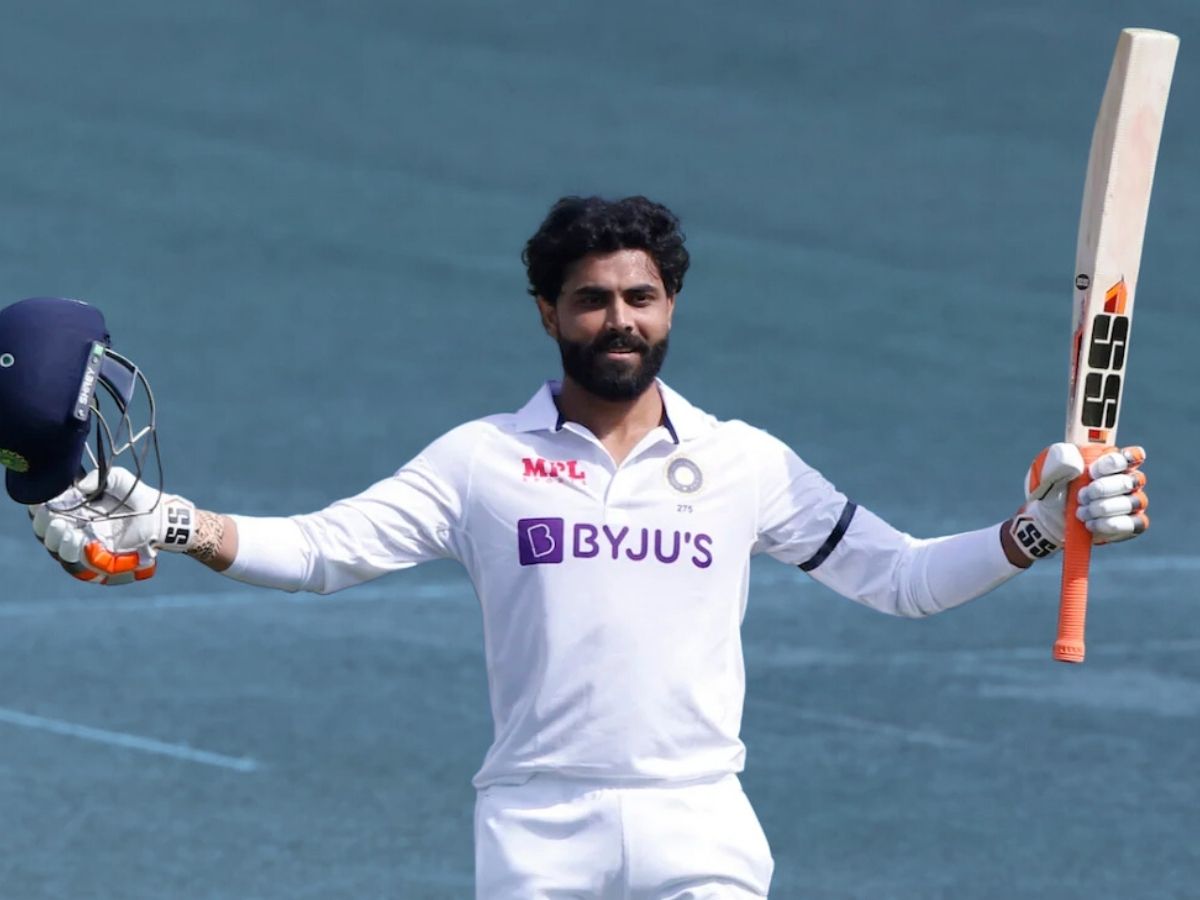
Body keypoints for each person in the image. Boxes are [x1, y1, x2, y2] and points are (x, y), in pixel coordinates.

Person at [22, 196, 1149, 899]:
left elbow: (900, 579)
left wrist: (1038, 528)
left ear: (672, 306)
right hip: (535, 831)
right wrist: (172, 521)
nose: (620, 319)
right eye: (593, 299)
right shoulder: (479, 461)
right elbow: (321, 552)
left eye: (641, 297)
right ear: (548, 313)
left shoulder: (747, 461)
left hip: (699, 822)